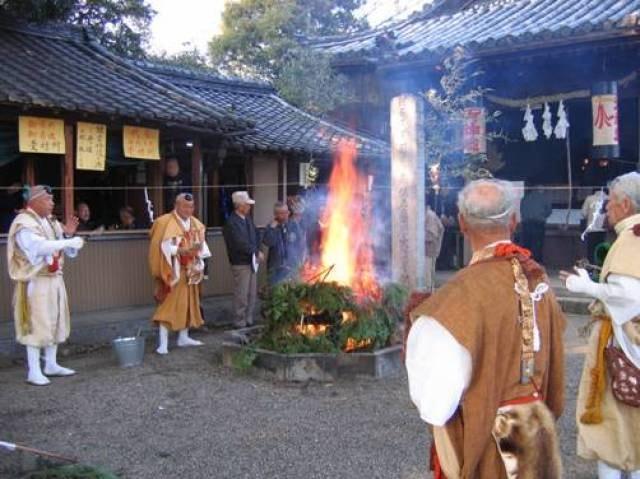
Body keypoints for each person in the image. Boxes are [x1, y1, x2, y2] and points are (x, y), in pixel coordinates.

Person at [405, 179, 565, 478]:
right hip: (535, 432)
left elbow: (435, 404)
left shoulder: (457, 298)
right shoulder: (540, 282)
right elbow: (555, 374)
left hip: (488, 441)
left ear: (462, 224)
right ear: (514, 221)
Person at [561, 171, 640, 479]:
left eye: (610, 205)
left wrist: (589, 289)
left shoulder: (632, 239)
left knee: (611, 421)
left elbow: (630, 296)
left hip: (624, 343)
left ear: (624, 205)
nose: (606, 210)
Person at [6, 185, 85, 386]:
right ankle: (34, 371)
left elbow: (66, 250)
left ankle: (51, 364)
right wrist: (67, 242)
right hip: (36, 281)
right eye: (48, 200)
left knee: (55, 319)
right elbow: (38, 247)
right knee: (35, 323)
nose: (52, 203)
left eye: (52, 200)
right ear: (35, 201)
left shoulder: (50, 222)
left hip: (55, 279)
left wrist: (67, 235)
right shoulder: (23, 223)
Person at [148, 193, 211, 355]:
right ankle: (163, 343)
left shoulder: (196, 224)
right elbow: (160, 246)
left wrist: (196, 253)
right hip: (173, 270)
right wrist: (181, 250)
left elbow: (202, 248)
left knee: (189, 304)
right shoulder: (164, 222)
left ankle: (184, 336)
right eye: (185, 206)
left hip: (191, 269)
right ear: (176, 206)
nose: (189, 210)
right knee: (168, 304)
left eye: (191, 207)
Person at [223, 191, 262, 328]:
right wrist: (255, 251)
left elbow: (256, 235)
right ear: (240, 205)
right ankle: (239, 320)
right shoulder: (231, 222)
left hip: (251, 261)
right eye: (247, 204)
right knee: (242, 293)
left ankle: (248, 318)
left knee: (252, 292)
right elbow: (239, 243)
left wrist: (257, 250)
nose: (249, 207)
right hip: (240, 262)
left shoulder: (247, 220)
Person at [520, 184, 552, 263]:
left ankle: (525, 262)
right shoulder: (545, 198)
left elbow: (522, 210)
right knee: (537, 244)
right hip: (538, 223)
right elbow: (549, 211)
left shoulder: (525, 198)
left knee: (526, 243)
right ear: (541, 190)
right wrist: (542, 216)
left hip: (526, 223)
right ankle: (536, 263)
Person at [581, 188, 608, 264]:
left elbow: (583, 213)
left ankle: (591, 268)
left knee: (591, 250)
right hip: (604, 229)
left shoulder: (589, 199)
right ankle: (601, 267)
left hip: (591, 229)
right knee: (603, 249)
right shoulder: (608, 198)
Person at [425, 202, 444, 292]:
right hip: (426, 250)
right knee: (427, 274)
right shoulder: (427, 215)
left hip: (429, 250)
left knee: (428, 275)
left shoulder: (430, 216)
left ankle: (428, 295)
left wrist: (417, 237)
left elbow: (431, 236)